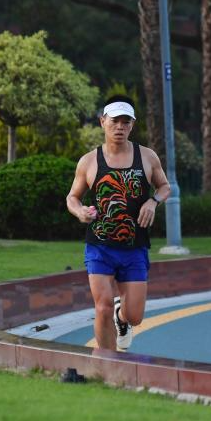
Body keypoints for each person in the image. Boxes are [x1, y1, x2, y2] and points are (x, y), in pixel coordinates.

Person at [66, 95, 169, 351]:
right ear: (103, 122)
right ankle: (107, 365)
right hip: (99, 246)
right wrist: (80, 212)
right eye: (115, 121)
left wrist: (153, 201)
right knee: (102, 307)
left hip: (135, 246)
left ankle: (122, 318)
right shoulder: (89, 161)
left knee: (135, 316)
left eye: (126, 122)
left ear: (132, 125)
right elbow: (72, 197)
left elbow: (165, 187)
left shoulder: (147, 157)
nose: (120, 127)